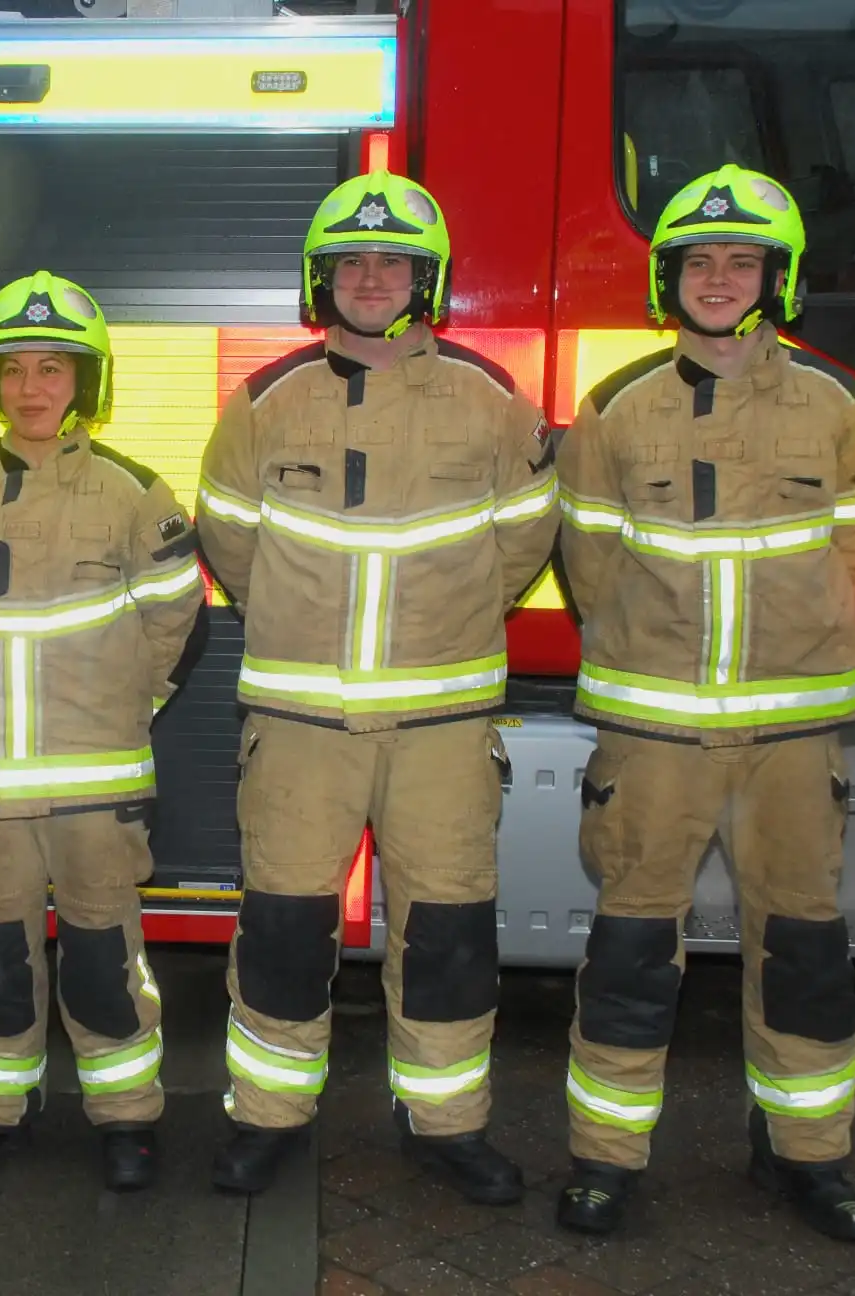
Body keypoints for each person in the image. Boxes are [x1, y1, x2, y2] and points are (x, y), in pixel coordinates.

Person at [196, 172, 559, 1199]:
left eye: (391, 263)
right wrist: (297, 622)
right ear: (322, 280)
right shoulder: (265, 402)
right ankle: (268, 1116)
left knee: (447, 933)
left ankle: (447, 1125)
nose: (369, 279)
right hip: (300, 721)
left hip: (441, 722)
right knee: (281, 928)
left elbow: (527, 537)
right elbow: (228, 534)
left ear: (425, 280)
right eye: (350, 263)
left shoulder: (490, 401)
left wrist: (448, 627)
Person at [553, 164, 855, 1242]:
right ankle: (605, 1159)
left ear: (777, 279)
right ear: (668, 279)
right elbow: (589, 566)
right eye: (697, 262)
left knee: (802, 955)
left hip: (791, 734)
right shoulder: (614, 410)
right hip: (653, 734)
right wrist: (655, 664)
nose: (716, 280)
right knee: (629, 952)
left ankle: (808, 1157)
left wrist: (787, 651)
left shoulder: (838, 406)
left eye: (741, 262)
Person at [0, 271, 207, 1192]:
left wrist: (122, 703)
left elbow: (177, 620)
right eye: (13, 369)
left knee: (106, 961)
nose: (30, 388)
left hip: (95, 788)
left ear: (87, 382)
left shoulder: (134, 494)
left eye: (52, 368)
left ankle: (127, 1120)